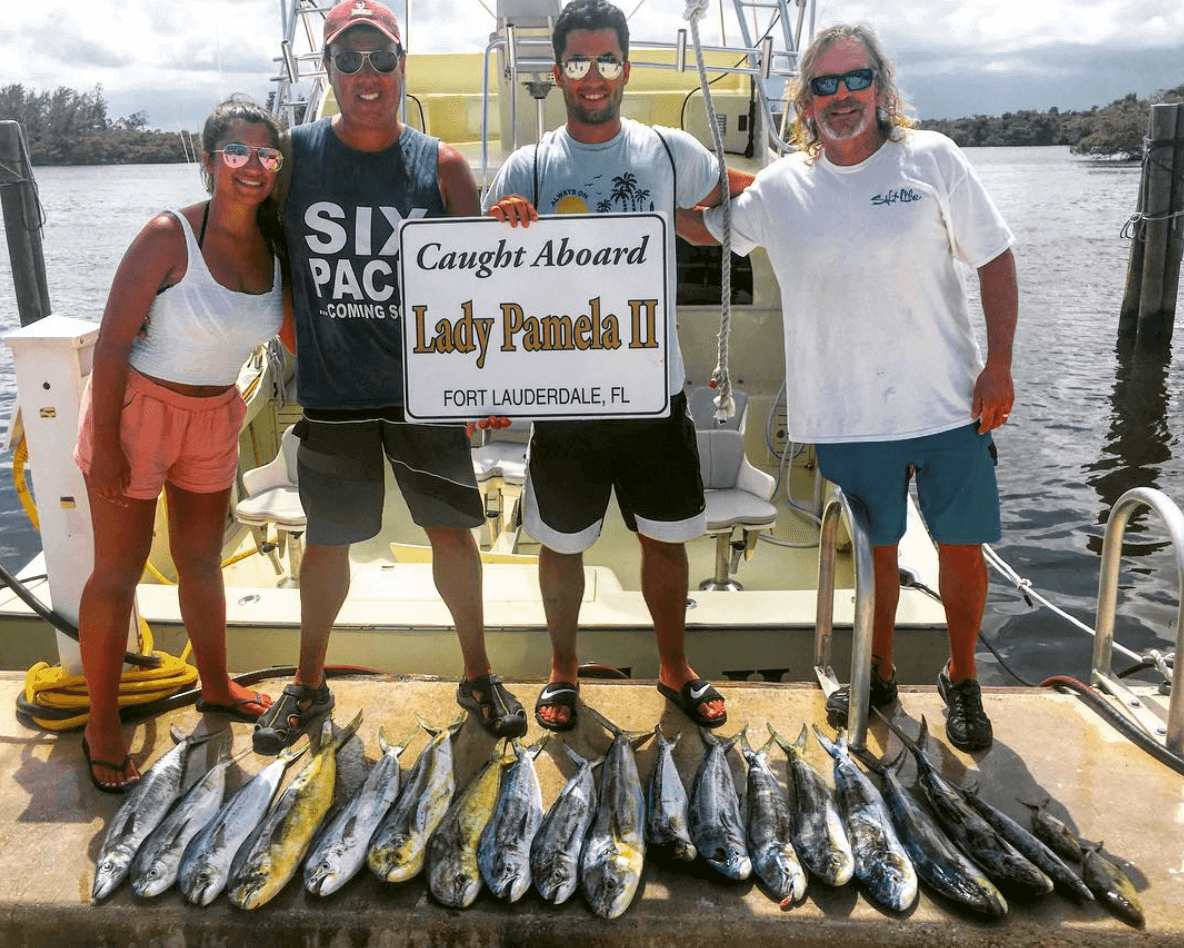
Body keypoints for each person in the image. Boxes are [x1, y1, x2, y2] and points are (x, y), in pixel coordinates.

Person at [679, 24, 1017, 752]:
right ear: (803, 102)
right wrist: (617, 194)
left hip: (948, 404)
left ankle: (963, 677)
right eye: (823, 85)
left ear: (882, 87)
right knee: (877, 555)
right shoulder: (780, 187)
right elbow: (706, 229)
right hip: (846, 415)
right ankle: (878, 672)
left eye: (854, 79)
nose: (841, 96)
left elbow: (995, 257)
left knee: (962, 548)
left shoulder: (932, 159)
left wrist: (1000, 365)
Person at [252, 0, 526, 754]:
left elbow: (479, 280)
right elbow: (249, 244)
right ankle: (308, 683)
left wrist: (481, 383)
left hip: (423, 393)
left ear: (401, 65)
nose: (366, 75)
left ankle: (478, 673)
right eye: (349, 59)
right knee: (325, 543)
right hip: (333, 395)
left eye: (381, 59)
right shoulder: (293, 156)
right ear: (329, 69)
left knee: (453, 536)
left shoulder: (439, 164)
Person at [484, 0, 752, 732]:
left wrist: (816, 200)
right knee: (560, 544)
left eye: (606, 60)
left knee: (664, 540)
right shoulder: (526, 166)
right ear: (558, 71)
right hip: (563, 397)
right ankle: (562, 671)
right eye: (578, 62)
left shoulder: (670, 151)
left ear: (626, 68)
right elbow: (483, 278)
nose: (593, 76)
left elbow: (736, 198)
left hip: (652, 393)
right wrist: (501, 226)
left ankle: (675, 667)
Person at [74, 96, 286, 792]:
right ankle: (101, 724)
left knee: (201, 560)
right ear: (208, 161)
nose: (250, 166)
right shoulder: (169, 235)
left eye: (264, 154)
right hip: (138, 414)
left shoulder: (276, 244)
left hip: (215, 414)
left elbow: (297, 337)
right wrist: (105, 444)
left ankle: (216, 683)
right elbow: (110, 346)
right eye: (236, 152)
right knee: (119, 572)